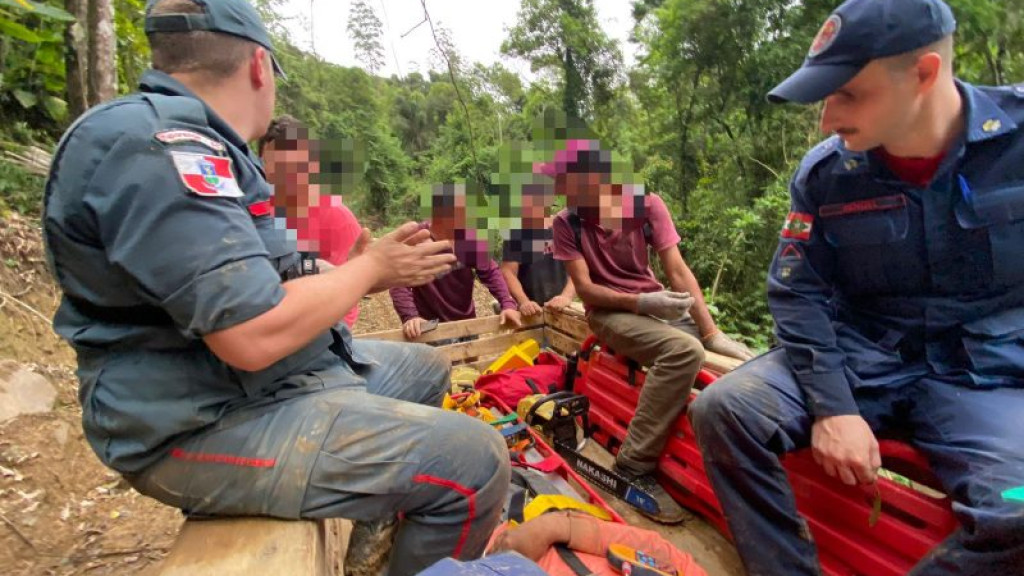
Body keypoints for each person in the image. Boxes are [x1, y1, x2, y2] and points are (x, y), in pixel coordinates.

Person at [41, 1, 510, 573]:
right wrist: (367, 272)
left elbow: (276, 275)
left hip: (264, 383)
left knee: (424, 367)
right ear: (260, 67)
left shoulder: (216, 151)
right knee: (477, 461)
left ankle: (378, 523)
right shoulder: (162, 148)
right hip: (194, 419)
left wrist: (356, 270)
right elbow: (250, 336)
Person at [688, 0, 1024, 573]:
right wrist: (833, 406)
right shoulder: (827, 175)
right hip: (861, 357)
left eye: (848, 94)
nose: (826, 120)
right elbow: (797, 290)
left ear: (923, 74)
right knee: (725, 410)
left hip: (986, 377)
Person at [549, 141, 754, 523]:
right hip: (609, 312)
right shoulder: (567, 223)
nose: (566, 191)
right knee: (682, 352)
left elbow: (677, 271)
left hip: (654, 301)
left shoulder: (646, 206)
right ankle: (633, 463)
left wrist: (711, 332)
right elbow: (586, 288)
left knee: (736, 360)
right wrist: (640, 304)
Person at [259, 115, 362, 327]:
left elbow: (346, 296)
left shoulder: (337, 218)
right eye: (274, 164)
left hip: (318, 326)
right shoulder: (250, 210)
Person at [391, 183, 522, 339]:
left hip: (466, 321)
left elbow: (490, 272)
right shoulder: (417, 239)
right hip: (430, 326)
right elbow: (398, 282)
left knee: (471, 362)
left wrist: (507, 304)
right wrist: (410, 316)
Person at [500, 181, 575, 318]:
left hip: (562, 308)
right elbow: (508, 272)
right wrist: (524, 301)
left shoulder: (563, 227)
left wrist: (566, 296)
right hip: (530, 312)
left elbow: (579, 268)